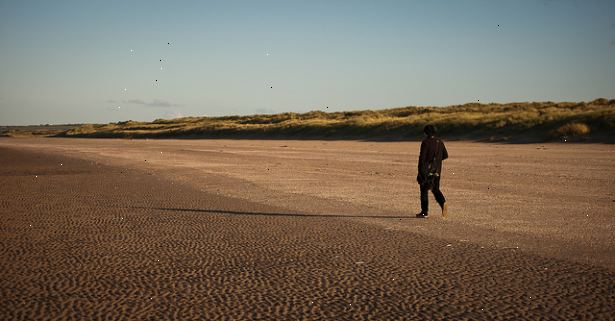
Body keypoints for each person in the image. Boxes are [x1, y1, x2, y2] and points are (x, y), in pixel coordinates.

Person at [416, 124, 448, 218]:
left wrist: (421, 172)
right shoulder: (440, 142)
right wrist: (436, 162)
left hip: (426, 170)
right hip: (437, 170)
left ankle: (424, 212)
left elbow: (422, 158)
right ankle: (443, 203)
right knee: (435, 189)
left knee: (424, 190)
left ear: (426, 133)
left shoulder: (425, 142)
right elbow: (445, 155)